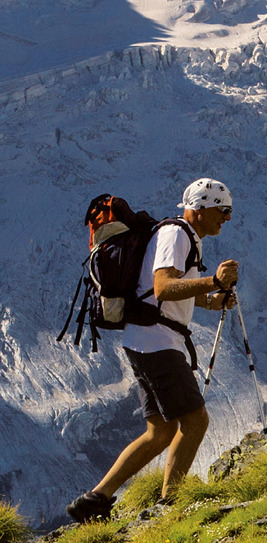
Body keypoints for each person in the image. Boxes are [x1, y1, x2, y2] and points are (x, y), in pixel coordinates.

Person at [65, 178, 239, 522]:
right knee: (196, 420)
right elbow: (162, 287)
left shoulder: (183, 236)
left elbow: (160, 291)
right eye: (224, 211)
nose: (227, 218)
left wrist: (209, 301)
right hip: (157, 342)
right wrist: (213, 282)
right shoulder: (177, 234)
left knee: (159, 431)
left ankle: (94, 499)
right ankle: (169, 506)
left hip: (145, 339)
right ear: (202, 209)